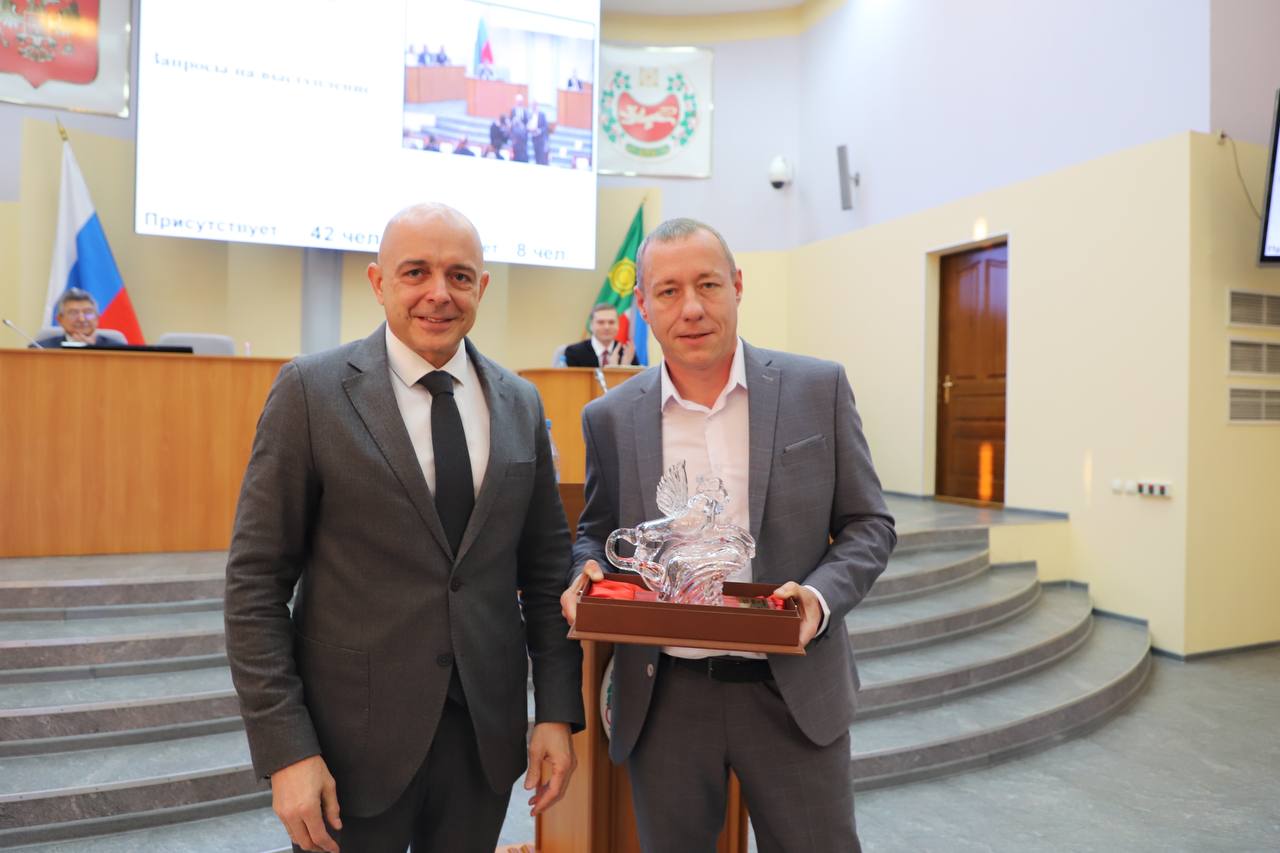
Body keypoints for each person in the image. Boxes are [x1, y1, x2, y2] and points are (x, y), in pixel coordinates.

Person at [225, 203, 583, 853]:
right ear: (378, 282)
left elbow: (545, 572)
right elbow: (254, 585)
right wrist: (286, 751)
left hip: (482, 745)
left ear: (482, 287)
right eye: (415, 272)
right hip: (347, 751)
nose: (438, 293)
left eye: (459, 275)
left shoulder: (520, 402)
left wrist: (556, 711)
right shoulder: (310, 392)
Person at [561, 218, 896, 852]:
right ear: (643, 306)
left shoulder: (816, 388)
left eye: (708, 284)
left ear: (737, 285)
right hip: (665, 699)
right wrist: (586, 574)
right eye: (668, 291)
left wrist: (817, 600)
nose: (691, 308)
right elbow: (597, 534)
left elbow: (868, 525)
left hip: (792, 690)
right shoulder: (610, 417)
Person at [33, 288, 121, 348]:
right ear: (60, 319)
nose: (82, 319)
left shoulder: (118, 350)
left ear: (97, 318)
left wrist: (92, 349)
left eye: (88, 313)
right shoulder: (41, 349)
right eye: (73, 313)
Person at [563, 303, 637, 367]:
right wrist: (613, 371)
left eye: (611, 322)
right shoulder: (574, 352)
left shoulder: (626, 353)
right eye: (601, 322)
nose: (607, 327)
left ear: (618, 325)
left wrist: (624, 368)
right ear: (591, 325)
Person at [509, 95, 530, 163]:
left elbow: (527, 122)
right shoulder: (513, 110)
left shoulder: (525, 111)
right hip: (515, 134)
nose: (519, 102)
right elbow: (510, 120)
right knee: (515, 149)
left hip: (523, 134)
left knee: (523, 150)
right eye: (518, 101)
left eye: (520, 101)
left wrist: (522, 125)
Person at [529, 100, 550, 166]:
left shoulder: (542, 115)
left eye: (534, 105)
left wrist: (539, 130)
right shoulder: (530, 115)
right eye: (532, 105)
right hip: (534, 137)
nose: (533, 107)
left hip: (541, 138)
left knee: (541, 156)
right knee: (536, 156)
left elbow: (545, 127)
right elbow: (529, 124)